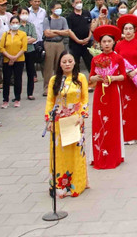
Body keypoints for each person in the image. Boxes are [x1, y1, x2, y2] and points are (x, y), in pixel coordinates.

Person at [44, 52, 89, 197]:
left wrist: (82, 115)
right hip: (58, 120)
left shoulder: (80, 78)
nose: (67, 64)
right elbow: (50, 101)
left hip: (75, 120)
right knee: (60, 153)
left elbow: (84, 99)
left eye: (70, 61)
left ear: (75, 62)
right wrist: (49, 120)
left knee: (75, 151)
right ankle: (60, 185)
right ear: (59, 64)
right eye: (64, 62)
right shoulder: (54, 80)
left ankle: (77, 183)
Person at [88, 23, 126, 170]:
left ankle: (114, 155)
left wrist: (112, 78)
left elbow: (123, 76)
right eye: (104, 41)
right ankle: (99, 154)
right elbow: (91, 77)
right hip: (100, 93)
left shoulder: (118, 58)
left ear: (114, 42)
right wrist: (97, 78)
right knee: (99, 122)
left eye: (109, 41)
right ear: (100, 43)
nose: (106, 44)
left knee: (113, 122)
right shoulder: (96, 59)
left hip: (113, 92)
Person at [114, 15, 137, 145]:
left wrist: (135, 71)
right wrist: (124, 72)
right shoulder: (118, 45)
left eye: (130, 29)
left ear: (134, 30)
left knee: (135, 107)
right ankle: (125, 135)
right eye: (125, 29)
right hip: (123, 79)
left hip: (135, 78)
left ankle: (136, 134)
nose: (128, 31)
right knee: (123, 106)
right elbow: (115, 61)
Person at [0, 15, 28, 108]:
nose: (15, 24)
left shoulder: (22, 34)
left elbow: (24, 48)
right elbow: (1, 47)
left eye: (16, 22)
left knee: (18, 79)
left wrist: (15, 57)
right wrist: (9, 57)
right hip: (7, 60)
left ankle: (17, 99)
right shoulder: (5, 34)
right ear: (10, 23)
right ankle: (5, 100)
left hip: (19, 59)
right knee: (6, 80)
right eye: (13, 22)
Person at [42, 2, 70, 97]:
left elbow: (67, 32)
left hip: (60, 43)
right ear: (52, 9)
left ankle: (59, 86)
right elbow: (47, 33)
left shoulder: (63, 19)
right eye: (57, 8)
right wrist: (60, 32)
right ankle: (47, 87)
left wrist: (54, 31)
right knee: (48, 66)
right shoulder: (47, 20)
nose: (59, 10)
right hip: (49, 44)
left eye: (60, 8)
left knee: (60, 65)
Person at [66, 0, 94, 77]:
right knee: (75, 64)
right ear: (73, 4)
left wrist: (89, 37)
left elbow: (91, 25)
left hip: (87, 43)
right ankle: (76, 80)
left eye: (80, 2)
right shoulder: (70, 17)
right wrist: (78, 40)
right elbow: (69, 31)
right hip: (75, 44)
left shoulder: (86, 13)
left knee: (90, 63)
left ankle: (92, 80)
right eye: (77, 2)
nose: (79, 4)